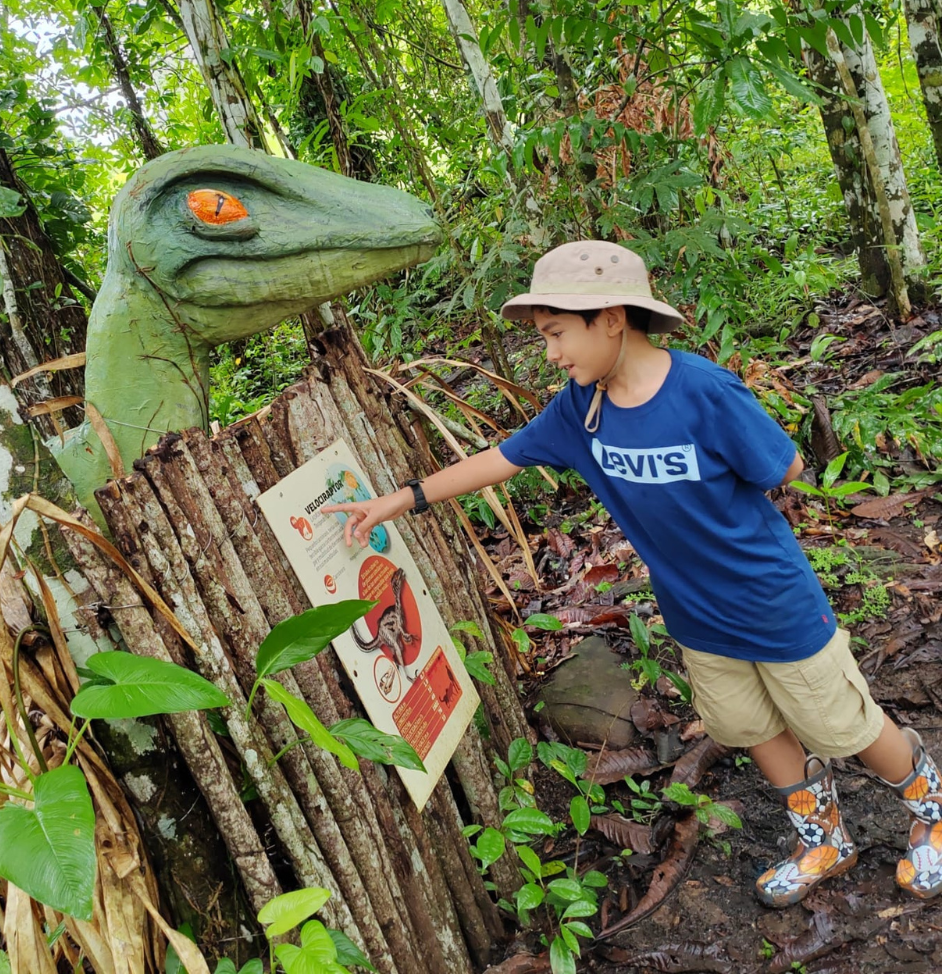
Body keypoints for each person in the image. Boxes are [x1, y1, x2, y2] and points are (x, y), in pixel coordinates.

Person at [321, 240, 942, 907]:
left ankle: (931, 811)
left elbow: (782, 466)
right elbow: (501, 459)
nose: (553, 354)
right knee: (751, 727)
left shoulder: (702, 390)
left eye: (558, 335)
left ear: (611, 317)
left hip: (774, 603)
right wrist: (401, 498)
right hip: (697, 616)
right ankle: (821, 838)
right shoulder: (579, 410)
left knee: (843, 727)